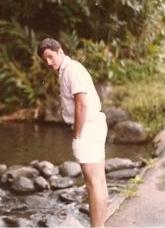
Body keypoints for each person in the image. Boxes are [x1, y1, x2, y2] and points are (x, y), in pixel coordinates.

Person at [37, 38, 108, 228]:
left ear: (60, 51)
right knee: (99, 181)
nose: (49, 62)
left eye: (51, 57)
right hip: (94, 125)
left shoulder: (71, 70)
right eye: (46, 60)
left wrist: (77, 133)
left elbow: (81, 103)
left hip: (88, 128)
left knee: (93, 183)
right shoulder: (69, 69)